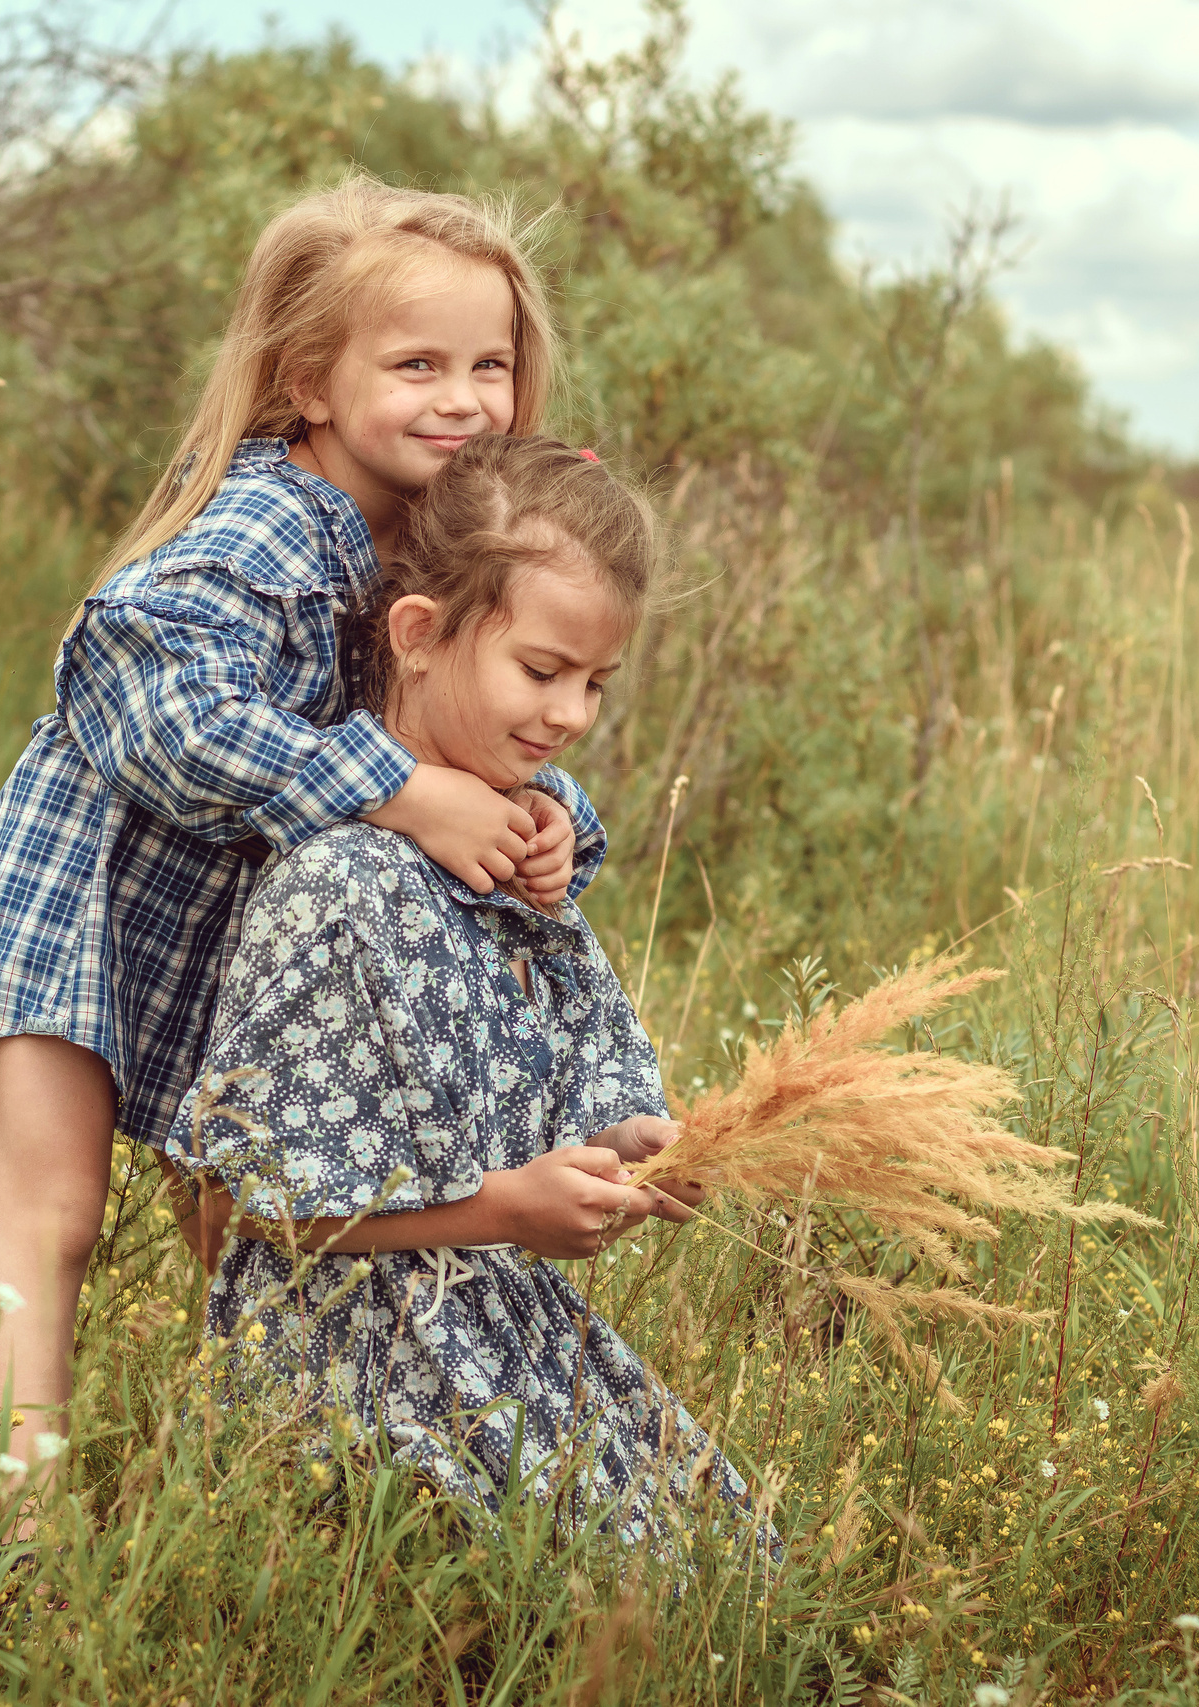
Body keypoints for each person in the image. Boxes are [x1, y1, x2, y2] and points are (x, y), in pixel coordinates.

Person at [0, 180, 613, 1515]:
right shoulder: (261, 523)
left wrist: (547, 826)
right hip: (93, 897)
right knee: (52, 1213)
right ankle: (28, 1527)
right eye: (416, 364)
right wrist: (402, 791)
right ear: (310, 380)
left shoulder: (439, 539)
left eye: (491, 364)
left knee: (254, 1219)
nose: (462, 396)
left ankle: (261, 1491)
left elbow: (475, 725)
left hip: (241, 936)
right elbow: (148, 694)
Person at [173, 435, 763, 1554]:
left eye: (594, 683)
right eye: (541, 672)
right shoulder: (338, 882)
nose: (573, 714)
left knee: (733, 1577)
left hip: (504, 1326)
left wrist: (635, 1150)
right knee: (604, 1595)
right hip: (353, 1371)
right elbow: (241, 1205)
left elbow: (581, 1075)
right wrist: (506, 1211)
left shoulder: (515, 861)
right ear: (419, 636)